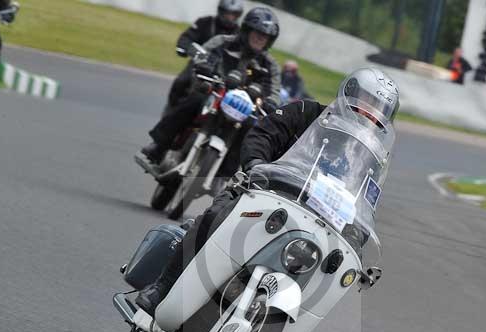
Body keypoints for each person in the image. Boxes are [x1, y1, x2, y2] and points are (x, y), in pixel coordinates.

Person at [134, 67, 400, 314]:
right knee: (215, 215)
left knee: (324, 271)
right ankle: (162, 287)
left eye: (379, 110)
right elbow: (264, 134)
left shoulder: (372, 160)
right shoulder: (307, 113)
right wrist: (256, 165)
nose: (370, 113)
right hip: (264, 192)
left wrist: (357, 237)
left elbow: (365, 202)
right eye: (366, 103)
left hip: (319, 222)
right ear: (349, 94)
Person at [137, 6, 281, 176]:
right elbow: (203, 56)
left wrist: (271, 102)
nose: (260, 39)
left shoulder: (270, 65)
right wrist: (203, 67)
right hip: (214, 91)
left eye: (265, 37)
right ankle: (159, 146)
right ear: (246, 30)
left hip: (242, 107)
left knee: (250, 127)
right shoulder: (223, 41)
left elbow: (274, 90)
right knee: (195, 100)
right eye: (257, 33)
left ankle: (227, 176)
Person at [166, 0, 244, 111]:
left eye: (233, 14)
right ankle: (170, 111)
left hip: (225, 73)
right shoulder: (205, 22)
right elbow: (187, 38)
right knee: (181, 81)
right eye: (227, 13)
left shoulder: (240, 34)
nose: (229, 17)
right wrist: (185, 47)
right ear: (221, 11)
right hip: (199, 65)